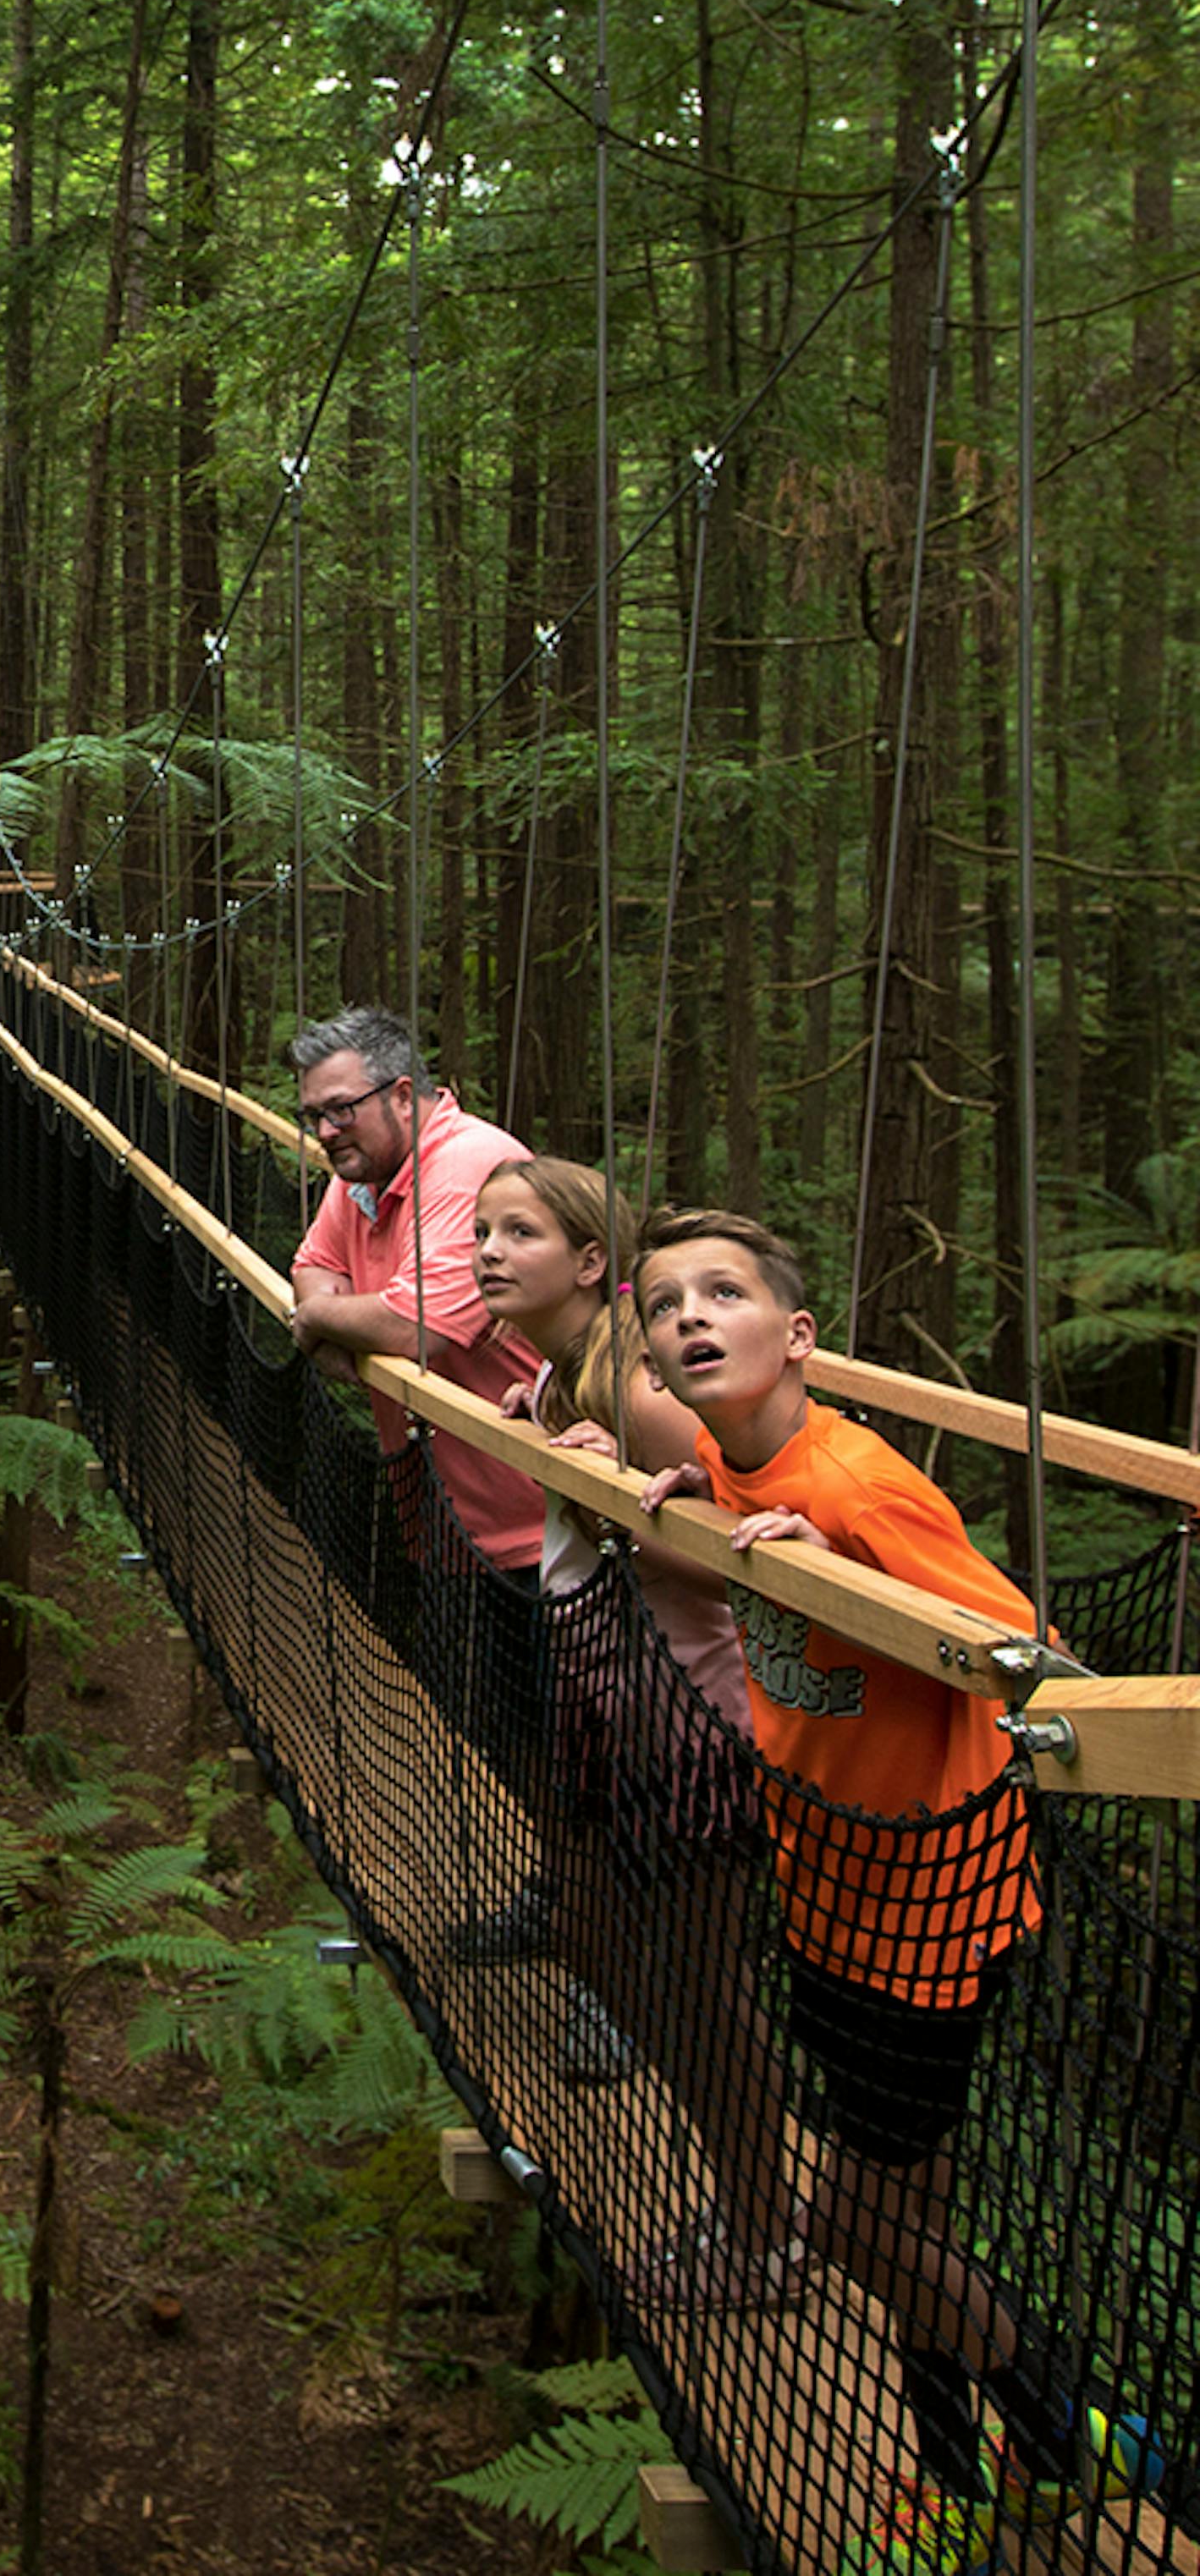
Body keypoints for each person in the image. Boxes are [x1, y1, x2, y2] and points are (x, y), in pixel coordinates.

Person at [635, 1206, 1164, 2576]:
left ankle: (1078, 2425)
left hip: (930, 1909)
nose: (687, 1316)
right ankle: (964, 2475)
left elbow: (1031, 1652)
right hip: (830, 1889)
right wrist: (662, 1481)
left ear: (796, 1336)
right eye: (664, 1303)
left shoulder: (861, 1488)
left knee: (855, 2223)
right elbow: (705, 1465)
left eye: (723, 1293)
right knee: (910, 2217)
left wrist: (853, 1568)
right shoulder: (720, 1446)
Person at [470, 1158, 801, 2294]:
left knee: (705, 1996)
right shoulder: (572, 1369)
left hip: (687, 1719)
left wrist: (609, 1483)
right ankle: (755, 2205)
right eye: (482, 1231)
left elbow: (720, 1544)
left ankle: (765, 2230)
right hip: (616, 1705)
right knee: (615, 1945)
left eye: (520, 1231)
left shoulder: (631, 1379)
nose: (488, 1251)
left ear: (592, 1261)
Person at [288, 1007, 544, 1574]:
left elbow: (417, 1326)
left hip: (537, 1532)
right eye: (314, 1116)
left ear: (403, 1095)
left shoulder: (471, 1164)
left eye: (342, 1109)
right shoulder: (363, 1174)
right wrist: (334, 1314)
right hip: (447, 1527)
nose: (327, 1131)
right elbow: (312, 1264)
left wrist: (318, 1320)